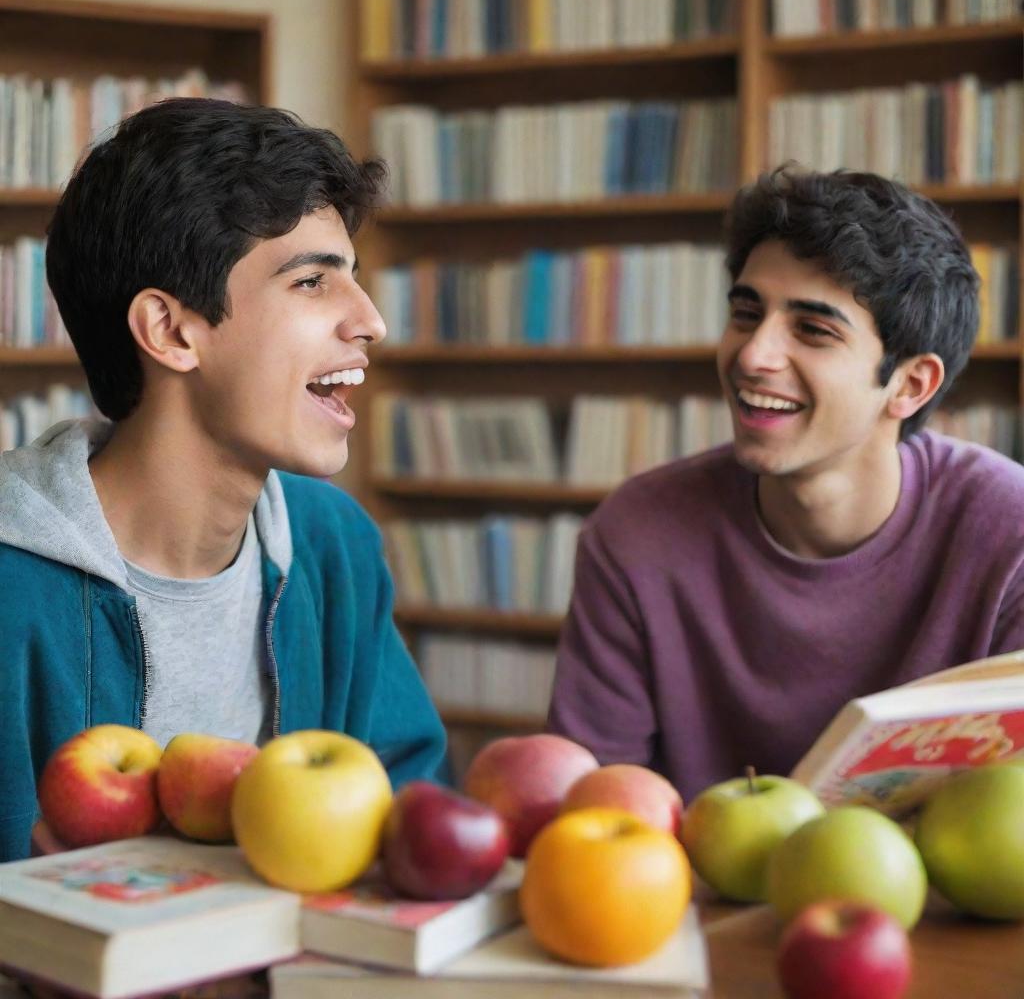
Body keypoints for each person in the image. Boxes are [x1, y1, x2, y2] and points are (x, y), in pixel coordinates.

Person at [0, 98, 447, 861]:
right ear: (171, 332)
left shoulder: (330, 543)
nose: (369, 319)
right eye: (312, 282)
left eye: (355, 279)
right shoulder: (13, 588)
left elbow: (405, 822)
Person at [547, 165, 1024, 800]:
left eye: (813, 330)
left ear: (911, 385)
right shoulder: (635, 534)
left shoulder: (1008, 534)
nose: (752, 355)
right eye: (747, 314)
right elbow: (592, 814)